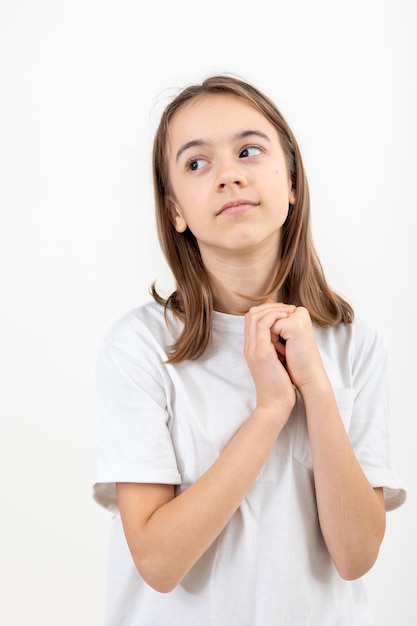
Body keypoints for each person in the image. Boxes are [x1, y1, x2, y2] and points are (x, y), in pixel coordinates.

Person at [92, 74, 406, 625]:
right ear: (176, 213)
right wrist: (270, 410)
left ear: (290, 182)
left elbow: (356, 556)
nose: (228, 175)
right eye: (196, 163)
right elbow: (160, 563)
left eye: (248, 150)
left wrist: (317, 391)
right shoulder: (140, 348)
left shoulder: (356, 345)